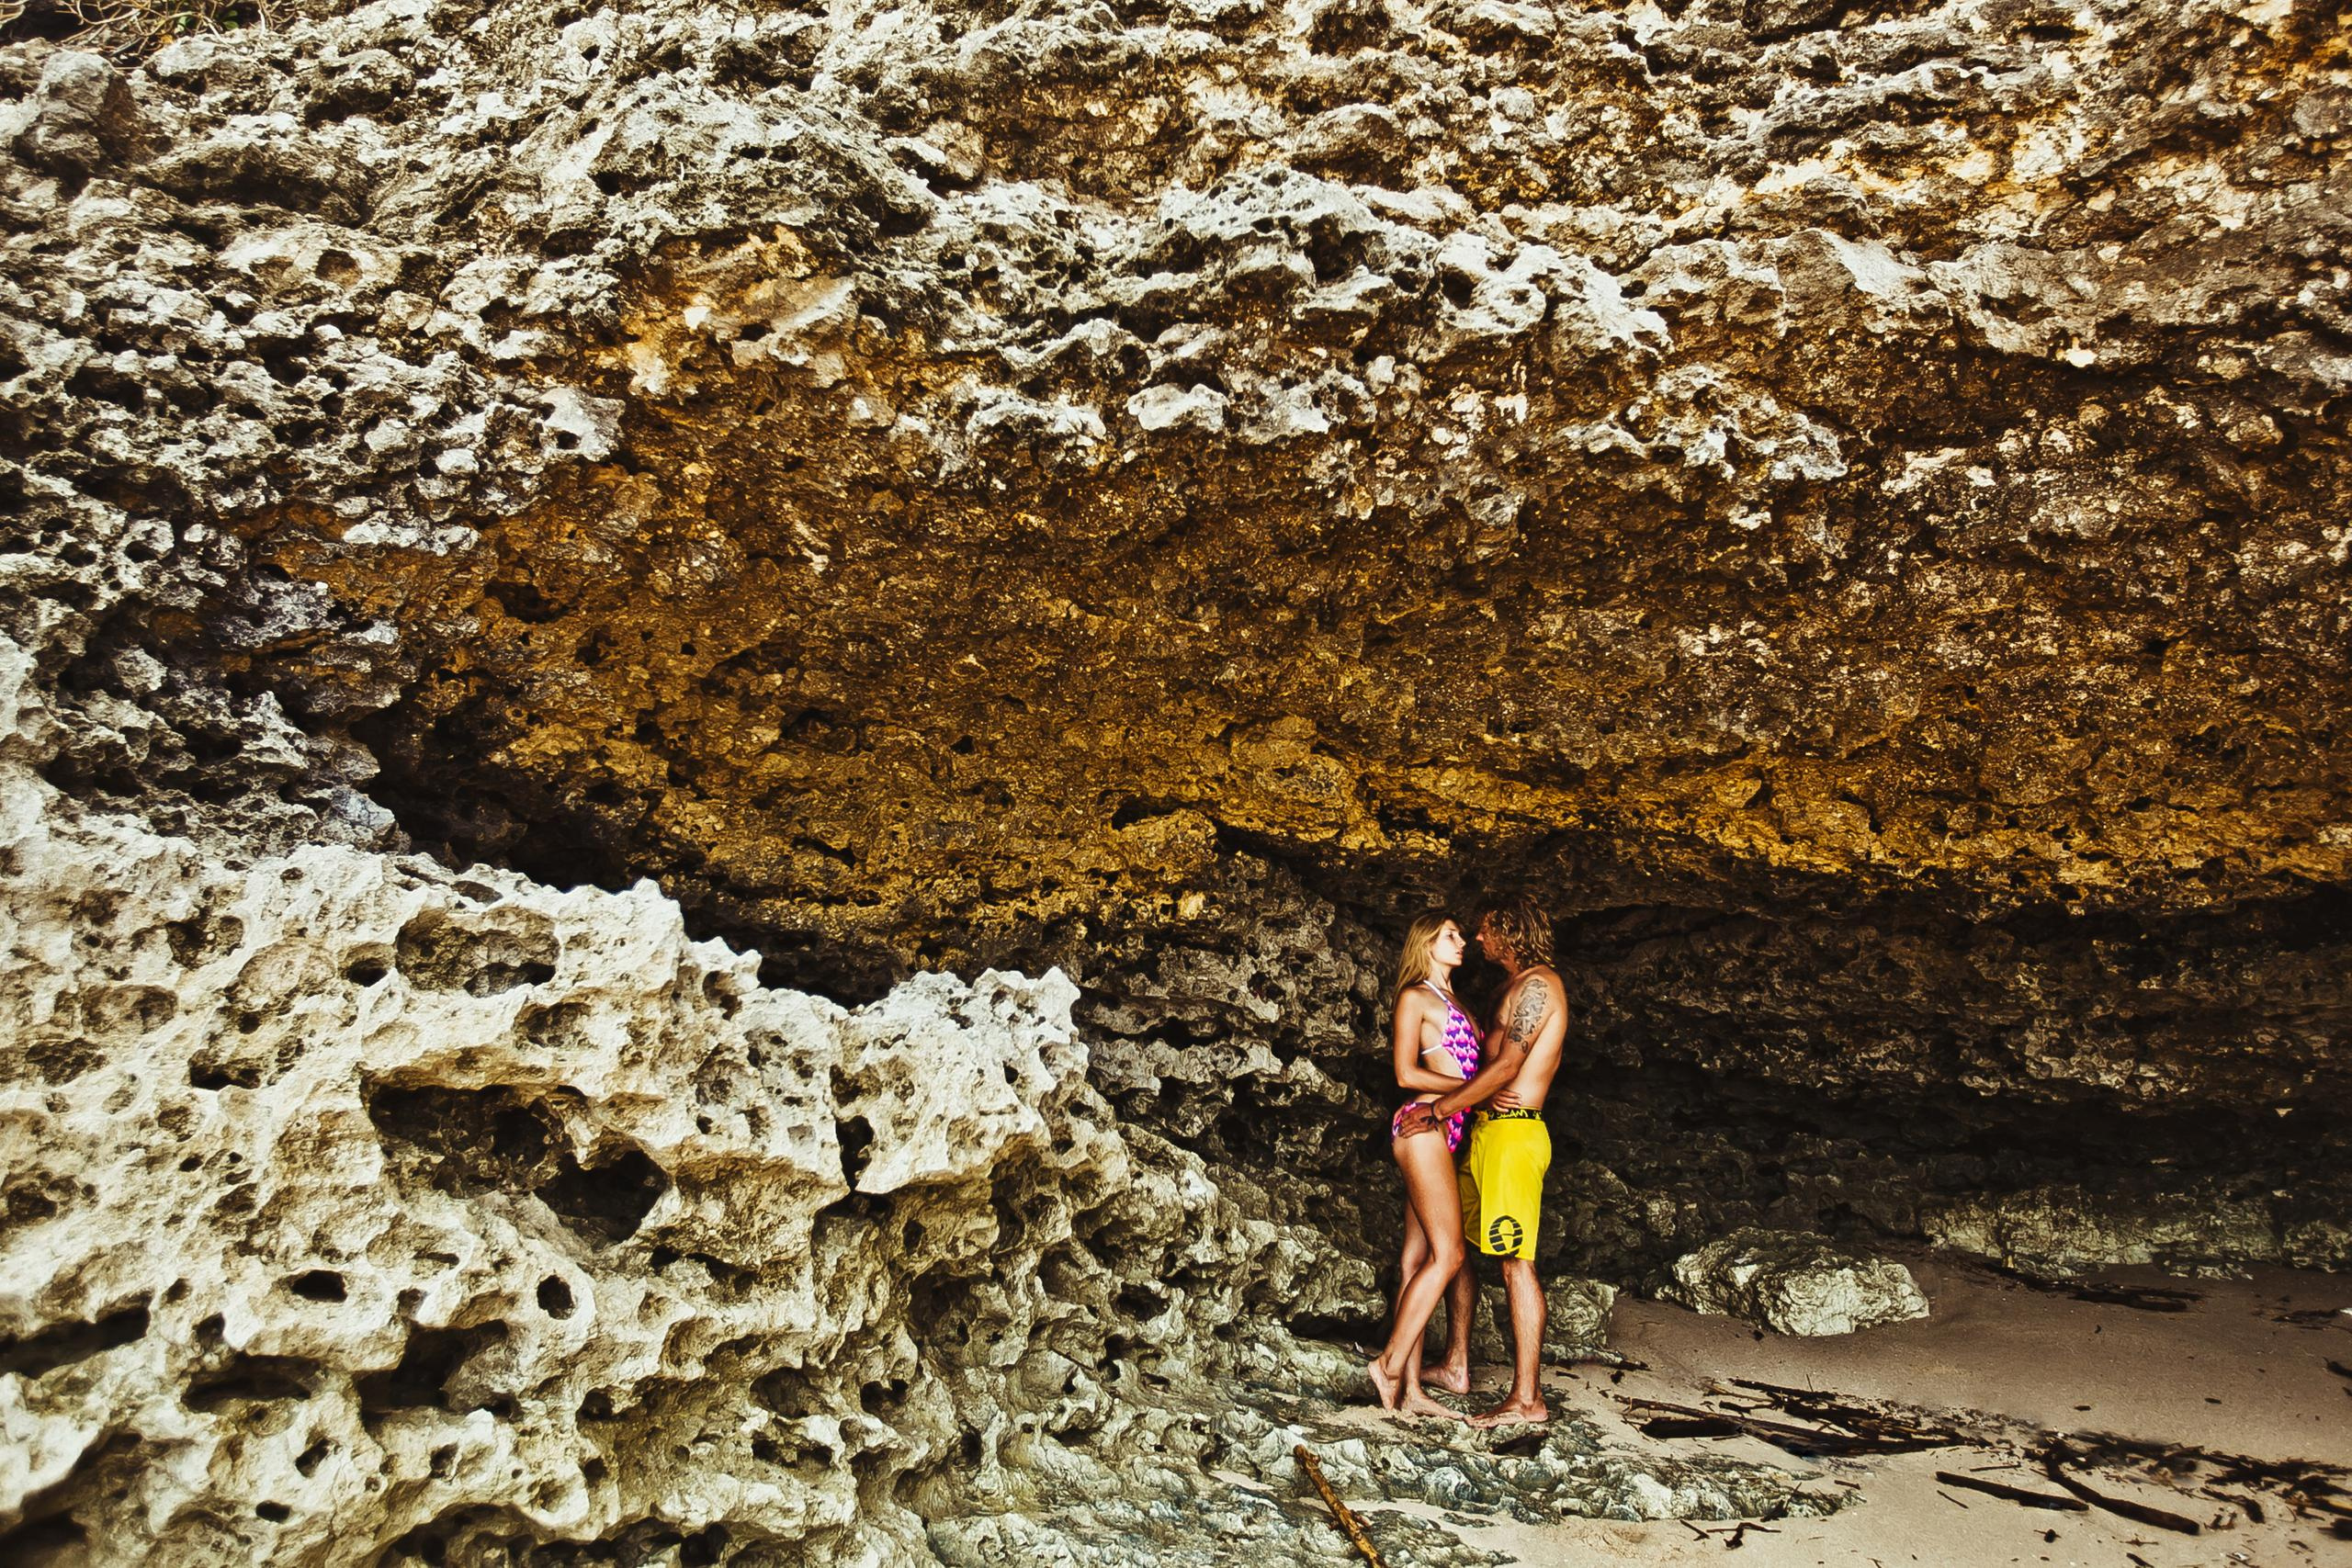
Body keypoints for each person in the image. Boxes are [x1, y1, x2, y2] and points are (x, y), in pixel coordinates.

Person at [1394, 897, 1566, 1427]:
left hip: (1513, 1136)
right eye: (1463, 933)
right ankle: (1455, 1363)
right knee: (1458, 1250)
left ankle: (1527, 1399)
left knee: (1515, 1261)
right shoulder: (1503, 991)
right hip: (1483, 1136)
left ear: (1511, 932)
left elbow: (1510, 1065)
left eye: (1486, 929)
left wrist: (1442, 1108)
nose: (1476, 938)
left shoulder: (1540, 987)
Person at [1365, 913, 1481, 1419]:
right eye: (1450, 935)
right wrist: (1469, 1094)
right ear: (1427, 943)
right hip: (1422, 1127)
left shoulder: (1456, 1002)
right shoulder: (1414, 996)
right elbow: (1406, 1071)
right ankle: (1388, 1364)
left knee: (1415, 1260)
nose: (1462, 941)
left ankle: (1411, 1391)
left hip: (1448, 1130)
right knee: (1450, 1254)